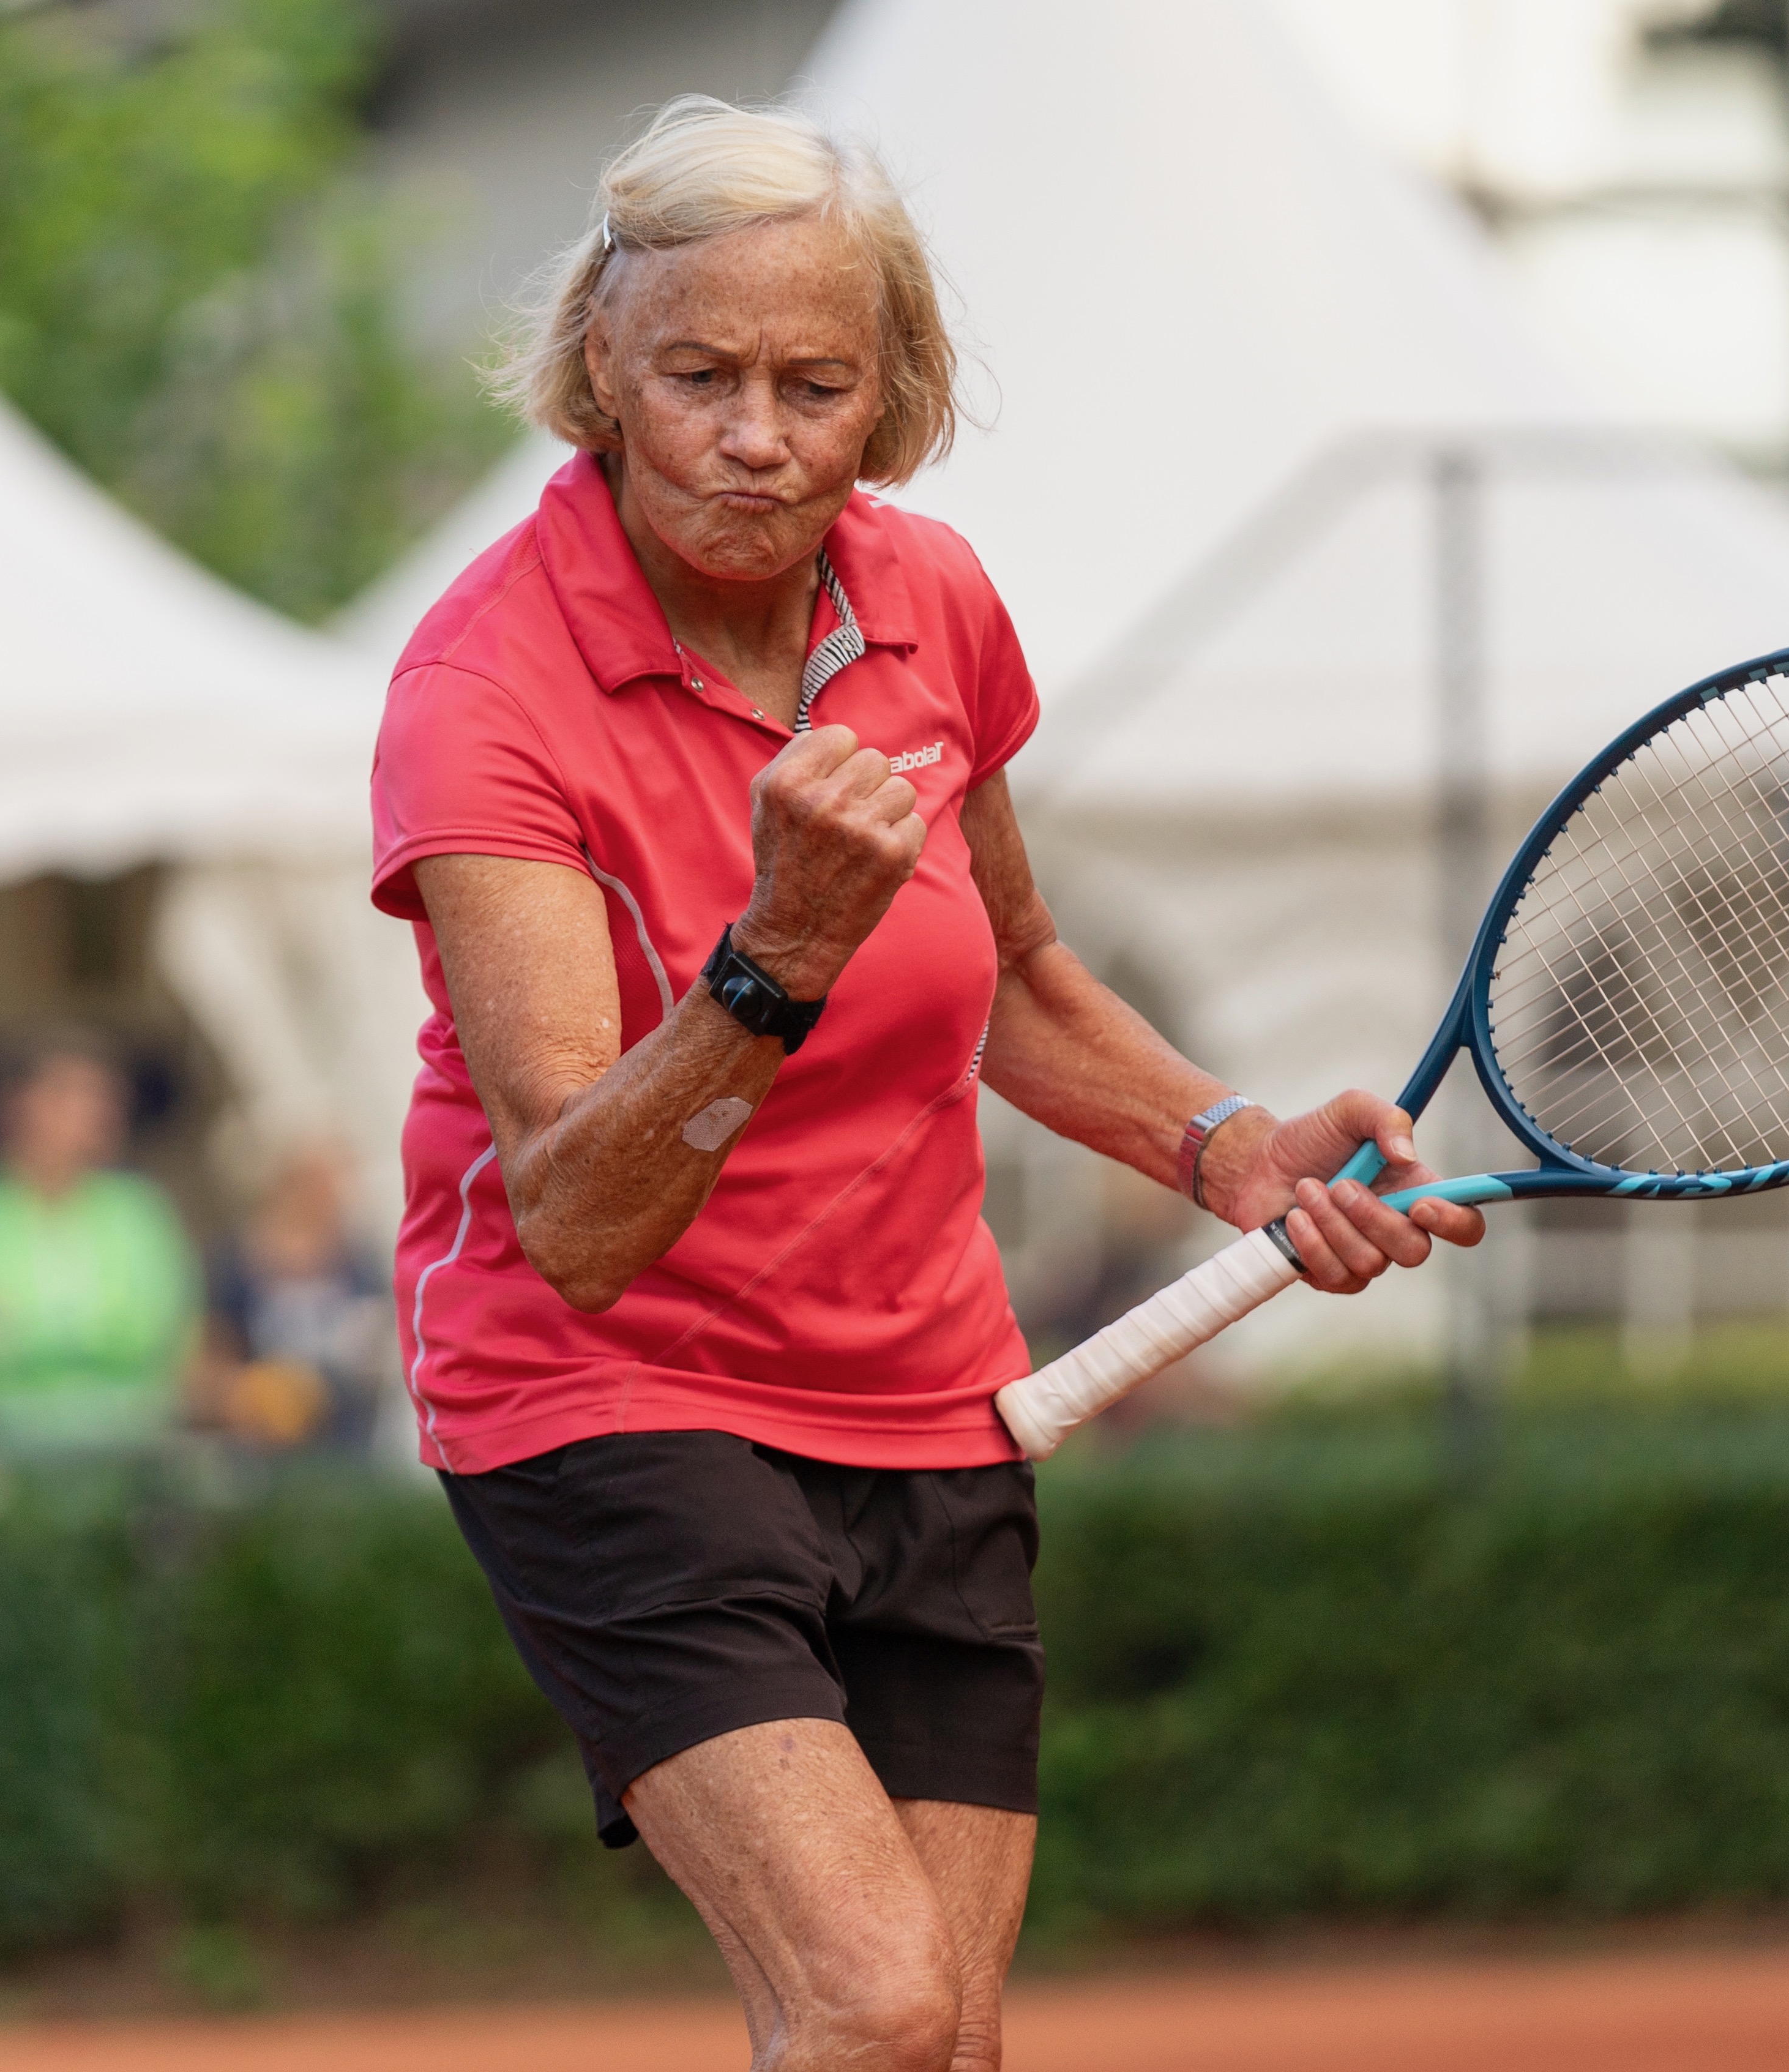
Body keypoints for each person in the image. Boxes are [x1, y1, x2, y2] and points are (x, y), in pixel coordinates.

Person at [370, 98, 1485, 2072]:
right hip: (611, 1399)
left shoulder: (933, 603)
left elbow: (1016, 976)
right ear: (603, 368)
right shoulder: (484, 694)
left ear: (886, 398)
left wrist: (1228, 1146)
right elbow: (575, 1219)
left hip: (929, 1398)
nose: (755, 433)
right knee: (872, 2006)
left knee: (944, 2047)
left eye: (815, 385)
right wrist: (776, 954)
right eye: (700, 377)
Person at [0, 1029, 201, 1453]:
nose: (95, 1113)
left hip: (134, 1450)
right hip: (13, 1453)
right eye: (71, 1095)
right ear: (19, 1106)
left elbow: (164, 1337)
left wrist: (50, 1349)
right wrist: (98, 1348)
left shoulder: (142, 1214)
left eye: (103, 1098)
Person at [201, 1142, 392, 1454]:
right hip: (256, 1447)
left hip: (343, 1447)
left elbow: (375, 1357)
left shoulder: (362, 1267)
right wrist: (247, 1395)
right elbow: (212, 1357)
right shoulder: (236, 1263)